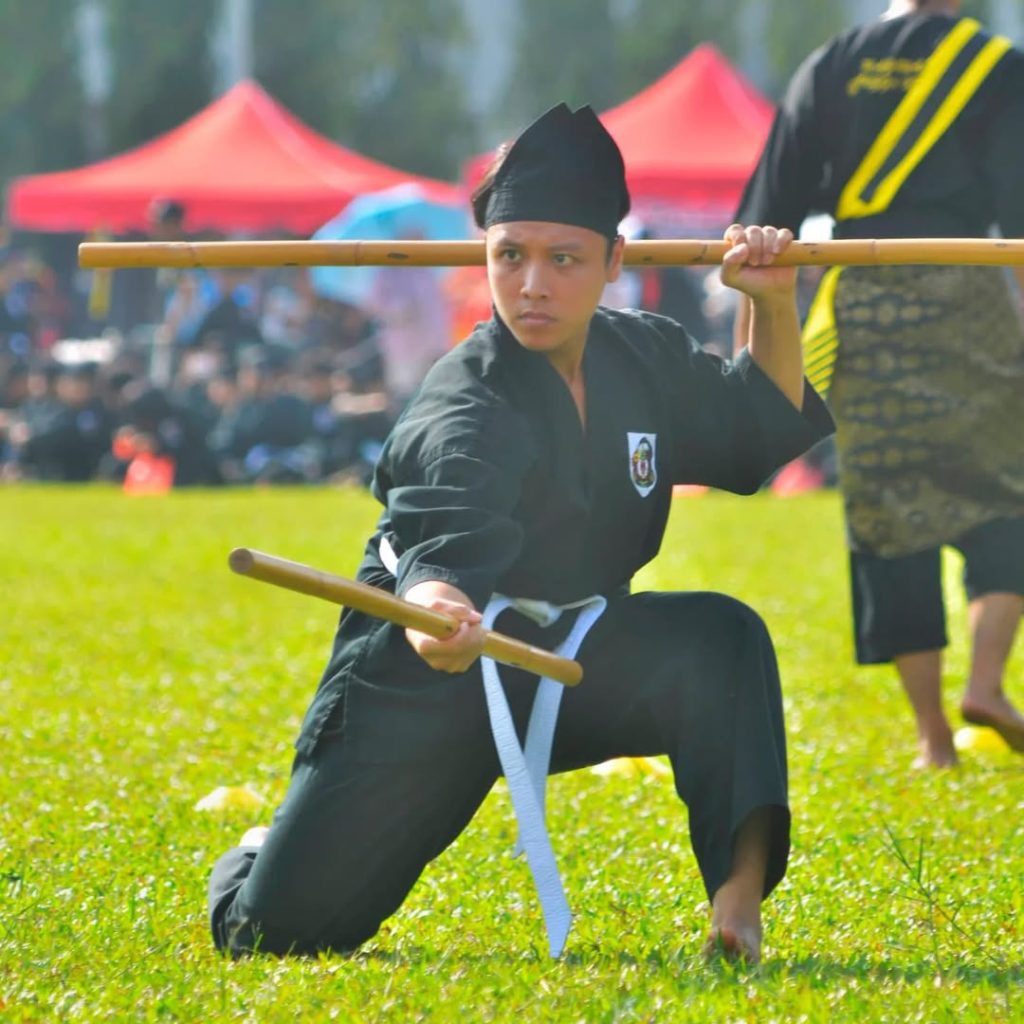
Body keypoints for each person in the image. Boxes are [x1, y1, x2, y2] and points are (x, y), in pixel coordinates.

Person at [208, 103, 833, 965]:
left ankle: (737, 905)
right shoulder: (465, 397)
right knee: (276, 935)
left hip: (570, 657)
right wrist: (437, 612)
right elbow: (440, 535)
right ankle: (258, 853)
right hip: (431, 674)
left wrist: (770, 300)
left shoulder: (643, 356)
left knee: (720, 638)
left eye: (562, 258)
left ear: (614, 261)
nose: (532, 284)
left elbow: (754, 429)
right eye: (511, 255)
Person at [735, 0, 1024, 769]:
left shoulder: (832, 64)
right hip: (971, 297)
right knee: (1007, 489)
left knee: (888, 514)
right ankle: (987, 684)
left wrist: (746, 355)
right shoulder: (997, 66)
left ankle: (934, 738)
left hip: (866, 302)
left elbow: (766, 214)